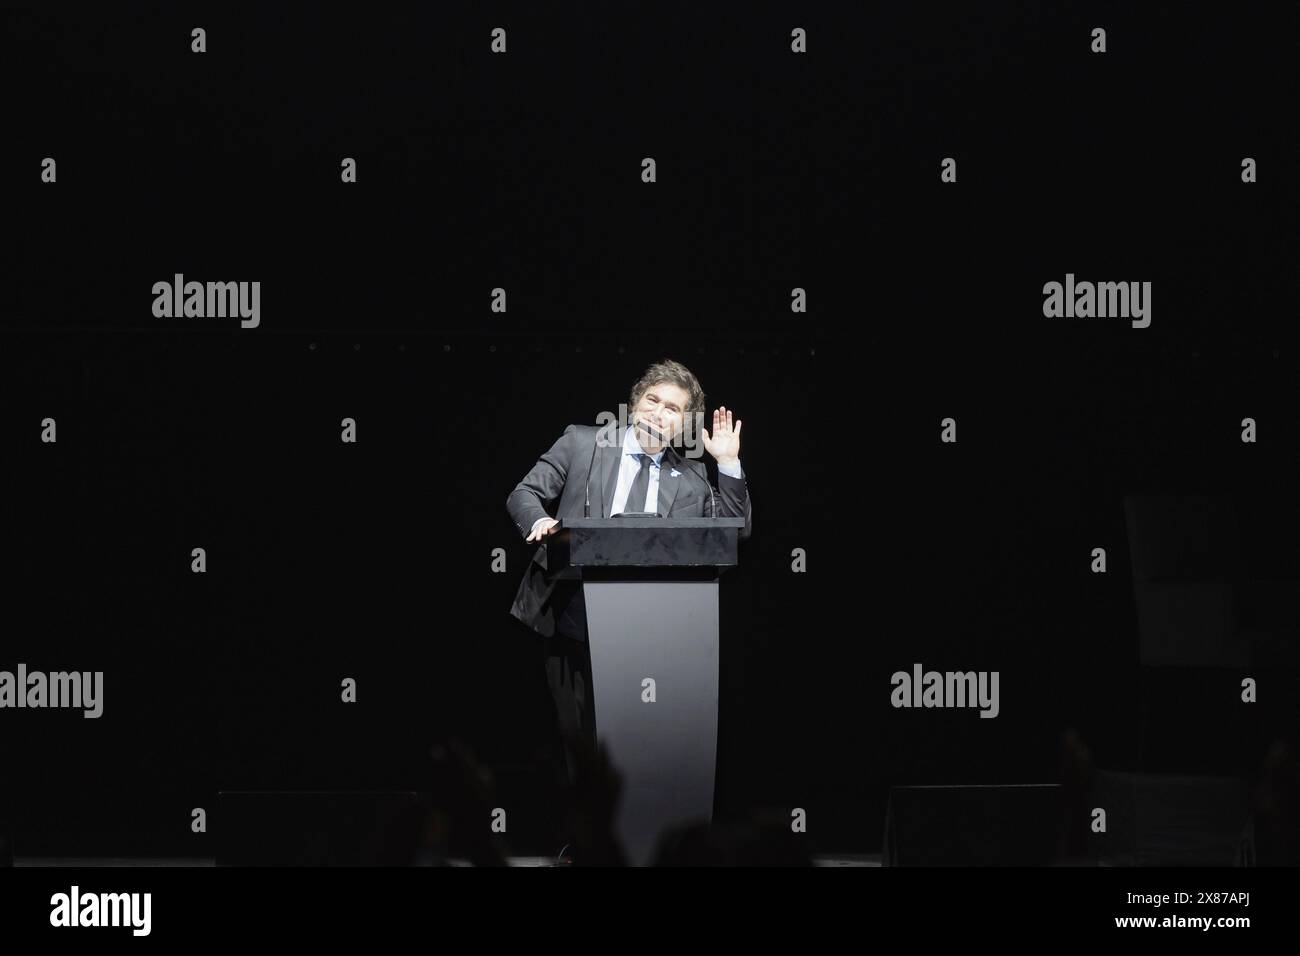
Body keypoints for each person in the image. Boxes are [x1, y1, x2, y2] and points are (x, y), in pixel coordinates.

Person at [505, 359, 752, 792]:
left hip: (655, 627)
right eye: (652, 400)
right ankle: (579, 844)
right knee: (578, 738)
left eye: (672, 408)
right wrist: (538, 522)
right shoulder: (582, 443)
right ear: (634, 404)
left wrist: (728, 464)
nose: (659, 412)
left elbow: (732, 535)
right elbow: (524, 493)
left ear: (684, 424)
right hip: (572, 615)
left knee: (635, 739)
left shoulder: (693, 475)